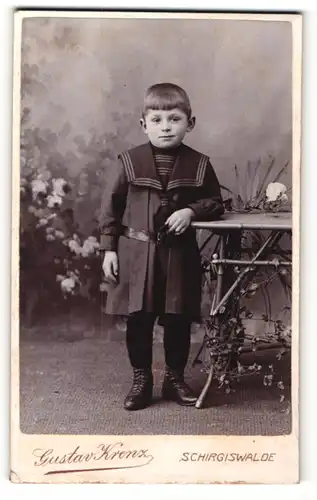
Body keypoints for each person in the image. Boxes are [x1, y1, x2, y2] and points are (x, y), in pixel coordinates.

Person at [99, 83, 224, 411]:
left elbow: (215, 201)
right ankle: (141, 380)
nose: (165, 126)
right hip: (138, 255)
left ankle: (174, 379)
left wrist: (191, 211)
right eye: (156, 119)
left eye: (174, 118)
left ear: (190, 123)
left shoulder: (199, 164)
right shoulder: (129, 162)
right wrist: (109, 248)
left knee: (178, 319)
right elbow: (111, 207)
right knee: (139, 319)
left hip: (179, 255)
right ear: (144, 124)